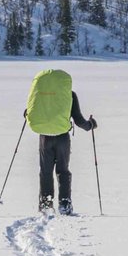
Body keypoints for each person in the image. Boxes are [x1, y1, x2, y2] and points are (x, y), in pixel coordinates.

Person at [25, 68, 96, 215]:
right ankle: (64, 204)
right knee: (63, 170)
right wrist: (90, 125)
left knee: (45, 171)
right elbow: (78, 120)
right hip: (62, 137)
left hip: (44, 137)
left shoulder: (41, 95)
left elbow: (29, 112)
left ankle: (45, 203)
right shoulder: (69, 95)